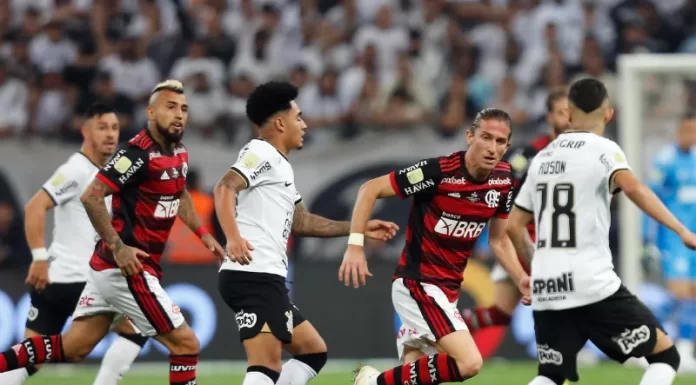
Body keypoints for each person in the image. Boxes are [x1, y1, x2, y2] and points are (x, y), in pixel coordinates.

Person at [0, 80, 225, 385]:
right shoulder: (134, 155)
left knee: (74, 348)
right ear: (150, 112)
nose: (179, 115)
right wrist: (118, 246)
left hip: (108, 268)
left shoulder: (179, 153)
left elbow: (179, 192)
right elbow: (90, 196)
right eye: (170, 107)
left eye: (184, 109)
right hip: (126, 268)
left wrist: (202, 232)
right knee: (186, 344)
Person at [506, 78, 696, 385]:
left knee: (551, 375)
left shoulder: (543, 158)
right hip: (591, 282)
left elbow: (514, 227)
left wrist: (534, 268)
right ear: (608, 114)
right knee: (665, 357)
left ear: (568, 113)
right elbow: (634, 189)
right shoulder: (603, 149)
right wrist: (682, 230)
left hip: (548, 287)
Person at [214, 81, 399, 385]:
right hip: (253, 273)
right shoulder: (260, 152)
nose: (304, 124)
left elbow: (302, 222)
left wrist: (357, 228)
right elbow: (224, 186)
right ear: (279, 122)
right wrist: (233, 237)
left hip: (262, 276)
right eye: (298, 117)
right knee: (266, 366)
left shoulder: (281, 167)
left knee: (312, 352)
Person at [343, 108, 531, 385]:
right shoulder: (437, 172)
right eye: (486, 137)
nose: (492, 148)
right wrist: (355, 247)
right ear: (470, 136)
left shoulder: (503, 180)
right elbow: (369, 189)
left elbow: (498, 239)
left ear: (508, 146)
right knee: (469, 363)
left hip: (448, 291)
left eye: (500, 141)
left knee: (416, 375)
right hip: (418, 284)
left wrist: (521, 277)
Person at [0, 103, 149, 385]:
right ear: (85, 131)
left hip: (56, 282)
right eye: (102, 127)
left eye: (114, 128)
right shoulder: (76, 170)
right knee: (142, 325)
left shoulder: (106, 172)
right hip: (82, 279)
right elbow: (35, 207)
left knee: (32, 357)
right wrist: (39, 258)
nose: (110, 134)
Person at [461, 88, 570, 333]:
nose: (569, 119)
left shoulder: (584, 155)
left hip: (561, 244)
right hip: (527, 243)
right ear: (550, 117)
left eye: (573, 113)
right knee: (564, 306)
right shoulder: (528, 156)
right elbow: (497, 193)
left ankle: (446, 329)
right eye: (563, 113)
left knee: (500, 313)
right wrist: (479, 241)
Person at [645, 114, 696, 371]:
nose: (691, 135)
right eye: (687, 130)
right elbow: (649, 198)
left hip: (695, 239)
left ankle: (685, 348)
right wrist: (648, 238)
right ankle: (648, 341)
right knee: (680, 292)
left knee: (691, 294)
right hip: (675, 239)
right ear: (679, 131)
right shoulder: (666, 159)